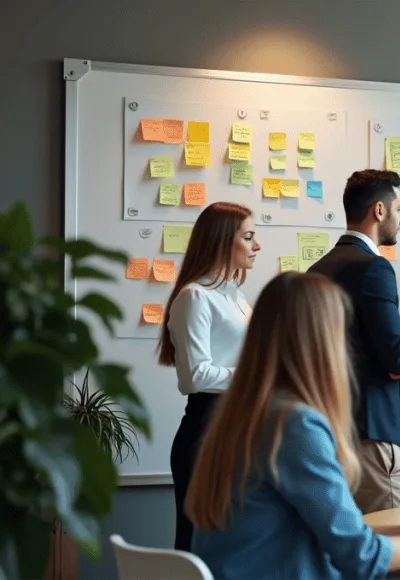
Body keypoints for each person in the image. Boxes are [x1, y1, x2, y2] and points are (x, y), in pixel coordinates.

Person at [186, 272, 400, 580]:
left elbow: (337, 536)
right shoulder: (294, 425)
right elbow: (362, 557)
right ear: (322, 341)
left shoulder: (241, 413)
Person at [308, 169, 400, 514]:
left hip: (328, 429)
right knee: (389, 535)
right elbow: (397, 358)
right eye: (399, 209)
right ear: (379, 211)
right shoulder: (374, 267)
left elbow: (357, 347)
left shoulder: (319, 268)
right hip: (370, 435)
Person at [156, 201, 260, 551]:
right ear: (221, 241)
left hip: (236, 430)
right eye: (248, 237)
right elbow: (196, 377)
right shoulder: (195, 296)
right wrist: (256, 376)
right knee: (198, 546)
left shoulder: (236, 297)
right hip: (205, 433)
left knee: (231, 546)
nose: (257, 246)